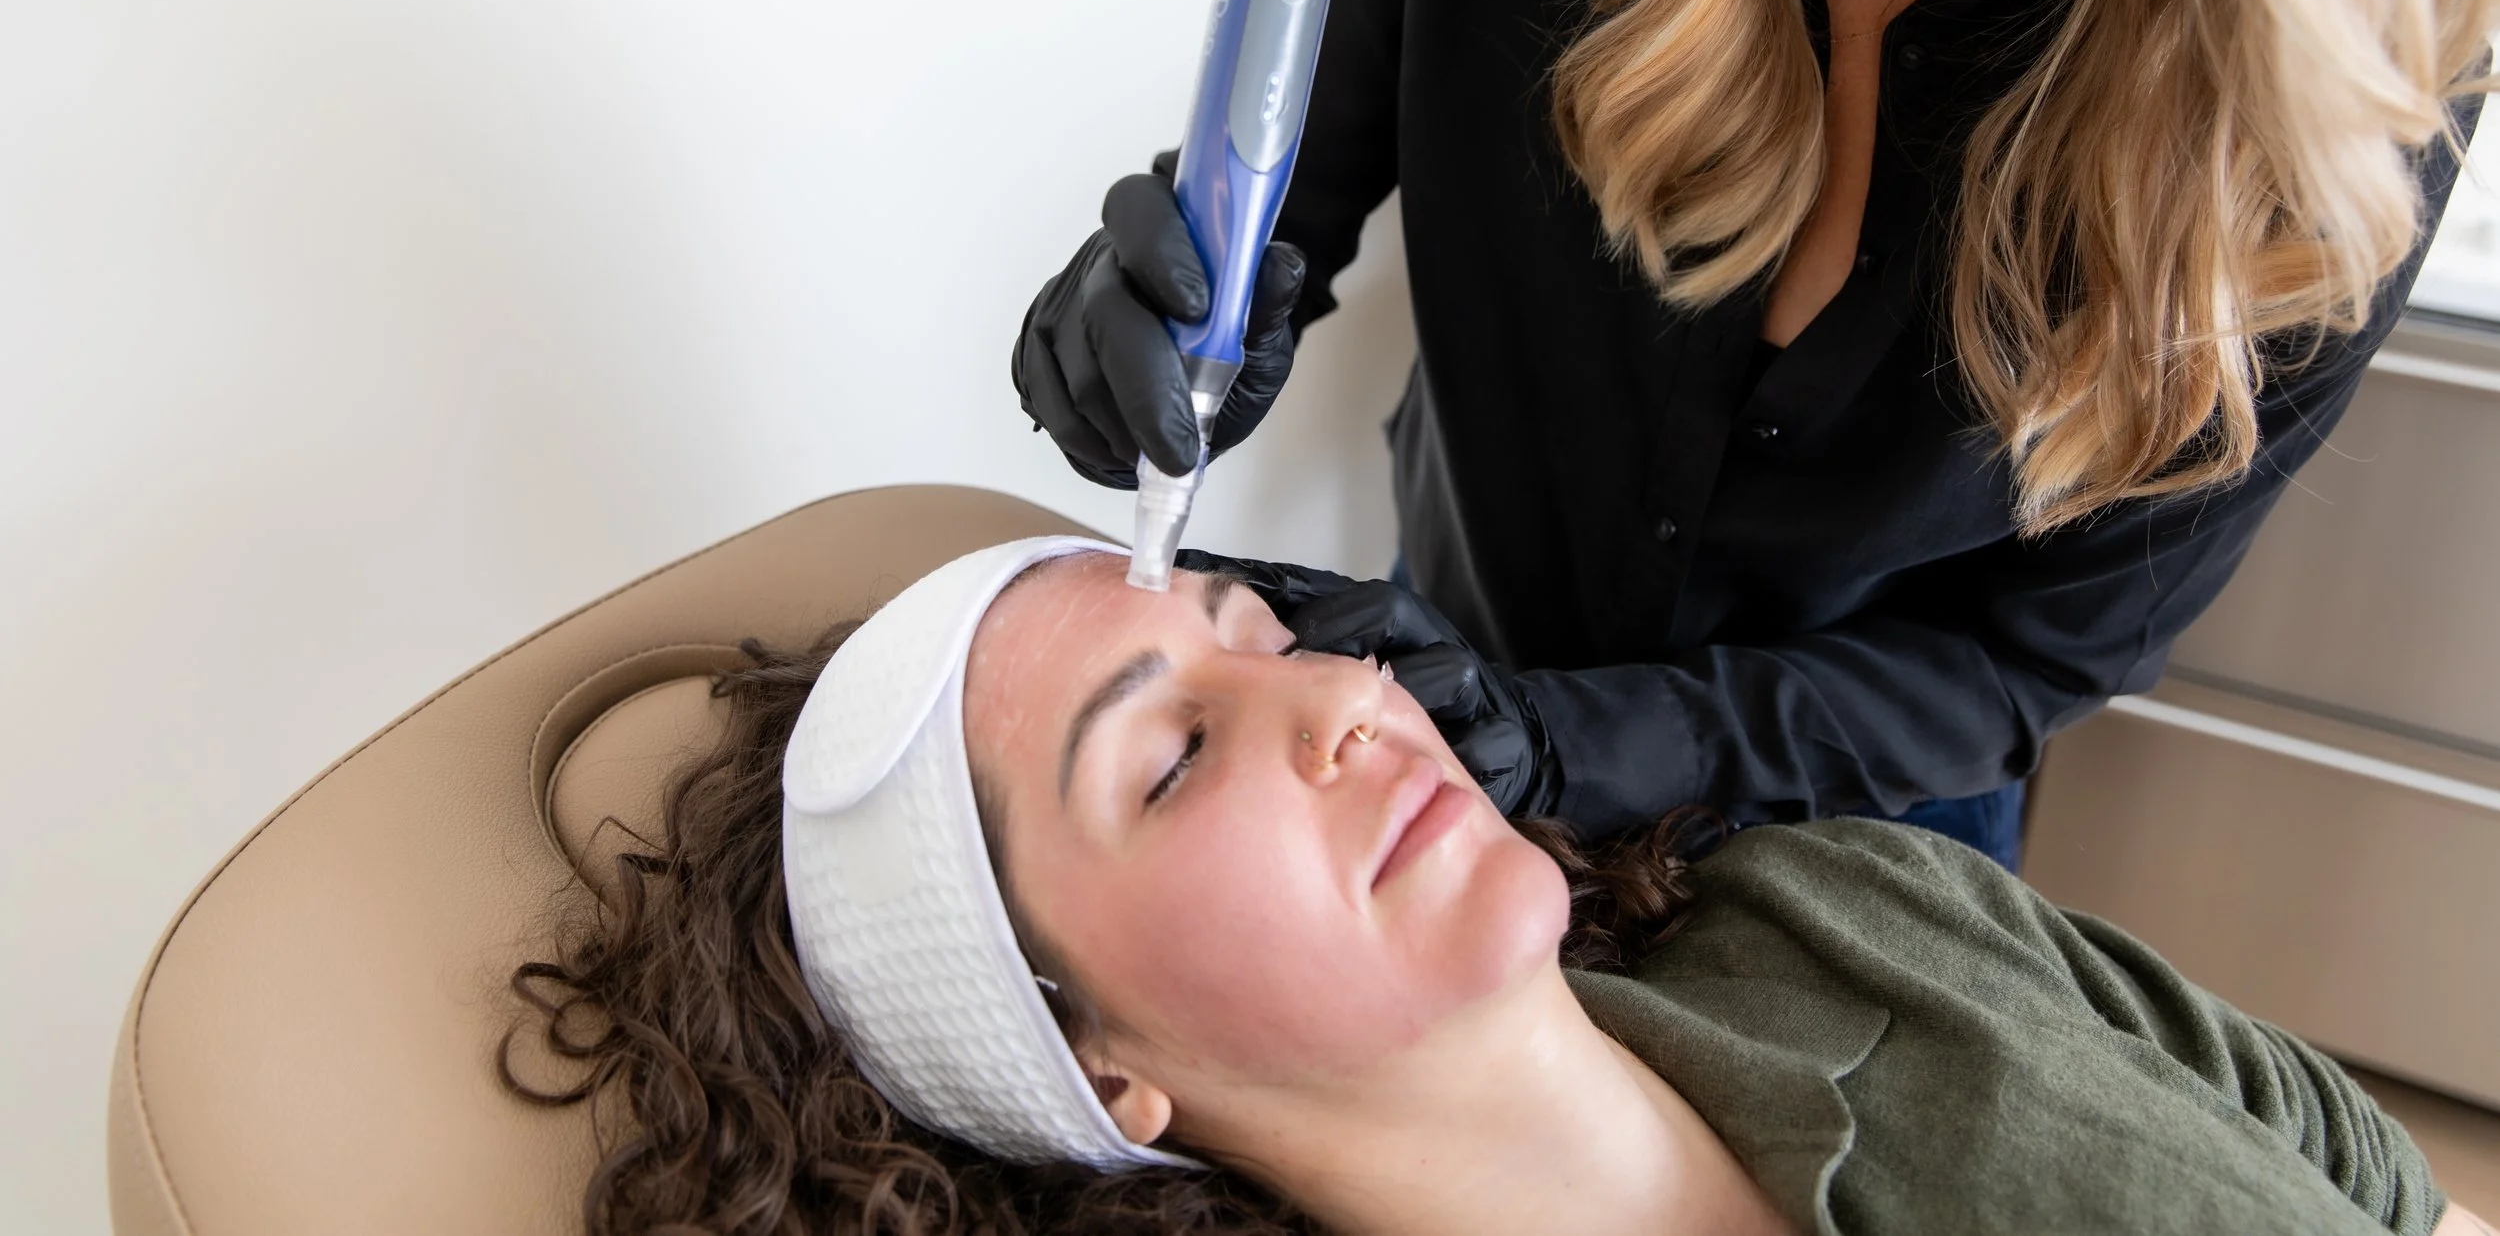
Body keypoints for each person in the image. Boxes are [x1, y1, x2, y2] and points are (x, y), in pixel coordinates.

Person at [1010, 0, 2498, 868]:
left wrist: (1575, 742)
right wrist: (1140, 317)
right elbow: (1278, 195)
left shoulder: (2339, 77)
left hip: (1868, 837)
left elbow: (2027, 656)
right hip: (1451, 670)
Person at [505, 541, 2489, 1236]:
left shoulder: (1852, 900)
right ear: (1096, 1058)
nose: (1347, 698)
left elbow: (2364, 1172)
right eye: (1172, 750)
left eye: (1258, 630)